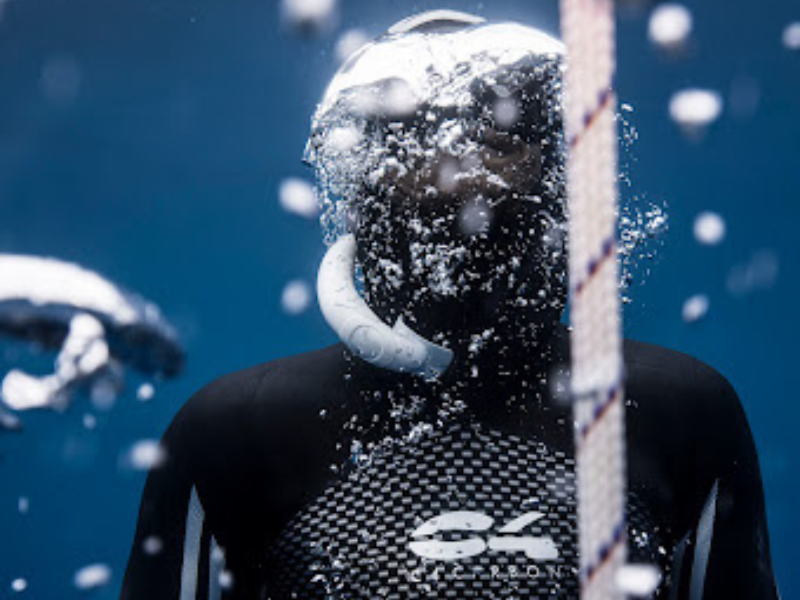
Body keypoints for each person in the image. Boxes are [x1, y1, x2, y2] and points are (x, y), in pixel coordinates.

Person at [120, 11, 779, 600]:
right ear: (358, 189)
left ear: (560, 180)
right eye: (415, 134)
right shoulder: (239, 431)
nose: (459, 170)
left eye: (496, 135)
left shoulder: (676, 413)